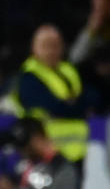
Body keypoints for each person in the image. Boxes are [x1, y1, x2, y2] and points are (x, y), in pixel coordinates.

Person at [15, 23, 89, 162]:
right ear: (34, 48)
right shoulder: (30, 76)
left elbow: (87, 101)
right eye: (45, 45)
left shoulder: (69, 70)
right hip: (47, 151)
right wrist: (70, 105)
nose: (51, 50)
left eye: (55, 45)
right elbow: (51, 105)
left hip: (81, 150)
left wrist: (71, 105)